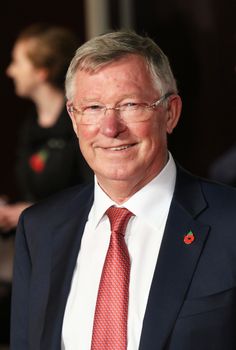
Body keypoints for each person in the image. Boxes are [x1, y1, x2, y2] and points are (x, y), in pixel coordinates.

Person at [10, 30, 236, 350]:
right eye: (93, 108)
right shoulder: (39, 230)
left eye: (130, 104)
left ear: (170, 113)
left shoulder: (231, 224)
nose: (110, 128)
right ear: (74, 119)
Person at [0, 23, 92, 347]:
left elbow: (92, 193)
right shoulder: (29, 125)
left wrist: (26, 211)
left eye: (17, 61)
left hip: (70, 248)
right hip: (33, 242)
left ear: (40, 72)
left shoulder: (78, 125)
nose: (10, 70)